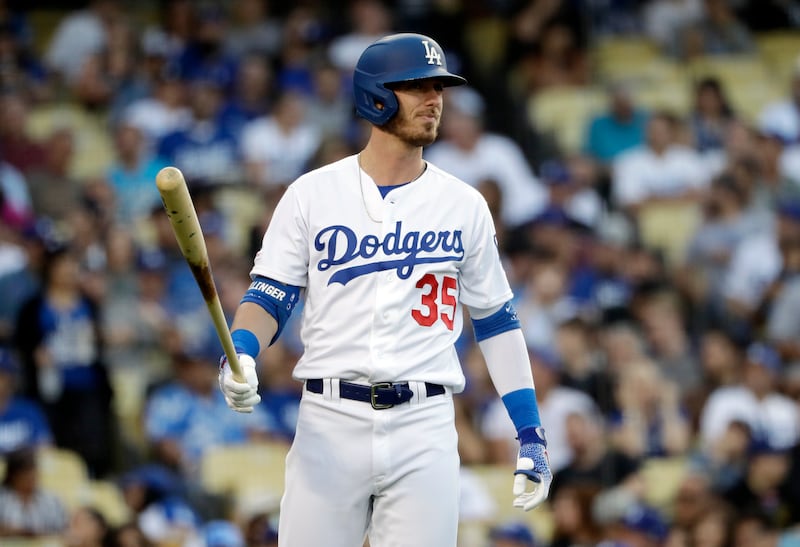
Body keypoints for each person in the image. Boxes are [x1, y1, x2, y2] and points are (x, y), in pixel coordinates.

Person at [216, 33, 552, 546]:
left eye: (439, 88)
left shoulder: (464, 204)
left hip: (425, 421)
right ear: (376, 96)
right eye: (418, 87)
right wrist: (240, 351)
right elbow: (269, 296)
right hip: (330, 419)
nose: (434, 100)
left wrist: (529, 432)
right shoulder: (311, 194)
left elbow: (496, 321)